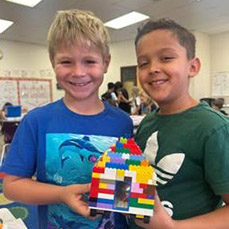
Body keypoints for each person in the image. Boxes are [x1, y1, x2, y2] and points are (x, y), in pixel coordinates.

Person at [1, 9, 133, 229]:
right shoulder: (36, 121)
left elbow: (124, 188)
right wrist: (62, 194)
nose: (78, 72)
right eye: (66, 62)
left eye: (89, 61)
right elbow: (11, 186)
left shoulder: (122, 123)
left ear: (106, 63)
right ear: (53, 62)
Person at [131, 18, 229, 228]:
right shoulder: (147, 124)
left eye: (166, 58)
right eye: (143, 63)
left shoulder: (213, 128)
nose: (153, 68)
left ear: (192, 67)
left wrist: (174, 227)